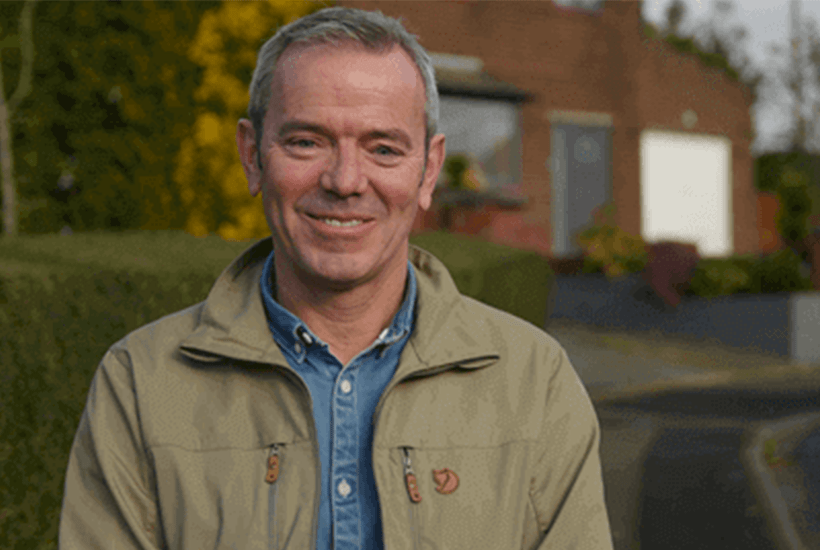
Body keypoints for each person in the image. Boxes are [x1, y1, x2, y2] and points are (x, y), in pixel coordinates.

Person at [59, 7, 613, 549]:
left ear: (429, 170)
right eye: (306, 141)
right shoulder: (140, 384)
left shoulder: (534, 384)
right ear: (252, 157)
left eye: (383, 149)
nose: (346, 180)